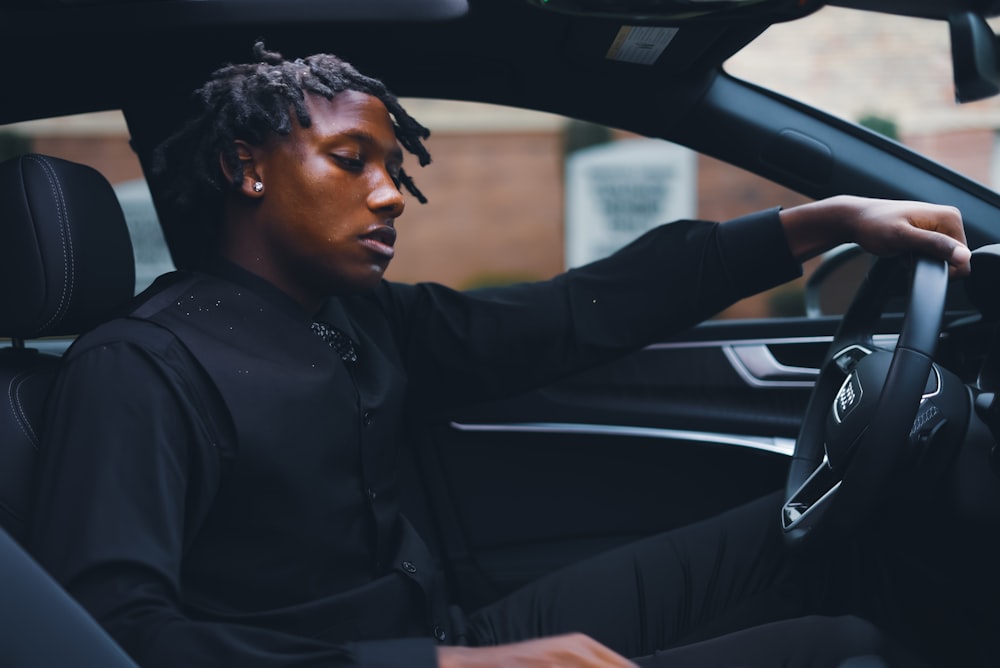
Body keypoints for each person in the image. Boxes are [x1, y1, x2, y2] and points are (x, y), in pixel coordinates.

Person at [28, 42, 970, 668]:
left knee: (827, 546)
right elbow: (114, 639)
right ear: (246, 167)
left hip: (446, 635)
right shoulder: (138, 370)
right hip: (416, 658)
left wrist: (819, 224)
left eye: (396, 168)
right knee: (838, 648)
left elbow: (569, 317)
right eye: (353, 161)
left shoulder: (356, 319)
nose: (391, 194)